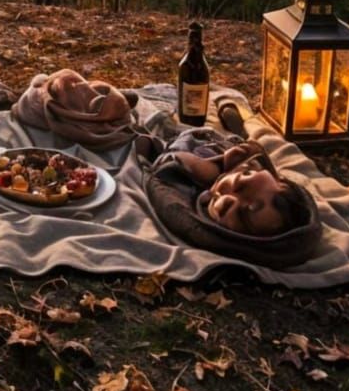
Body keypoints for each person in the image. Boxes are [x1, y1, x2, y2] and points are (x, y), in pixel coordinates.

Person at [135, 97, 322, 265]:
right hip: (216, 143)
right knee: (241, 146)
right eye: (242, 183)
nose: (229, 199)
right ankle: (234, 122)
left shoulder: (193, 200)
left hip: (178, 144)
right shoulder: (257, 175)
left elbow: (166, 169)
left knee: (155, 120)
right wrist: (236, 160)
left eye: (242, 216)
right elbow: (255, 162)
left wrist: (208, 170)